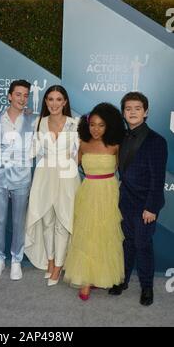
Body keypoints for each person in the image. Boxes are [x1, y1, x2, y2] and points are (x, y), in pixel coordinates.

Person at [109, 92, 168, 306]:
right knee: (127, 243)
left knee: (143, 244)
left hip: (146, 204)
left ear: (146, 112)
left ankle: (147, 287)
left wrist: (151, 207)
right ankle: (122, 280)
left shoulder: (156, 141)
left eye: (137, 108)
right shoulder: (121, 138)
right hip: (125, 200)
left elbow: (158, 178)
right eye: (128, 108)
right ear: (123, 113)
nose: (132, 112)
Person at [63, 103, 126, 301]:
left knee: (105, 234)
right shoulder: (82, 143)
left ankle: (101, 275)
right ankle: (86, 280)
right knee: (87, 234)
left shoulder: (116, 145)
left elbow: (124, 170)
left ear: (109, 126)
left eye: (101, 125)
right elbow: (71, 166)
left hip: (108, 192)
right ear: (86, 125)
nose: (96, 129)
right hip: (88, 192)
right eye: (92, 125)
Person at [25, 85, 80, 286]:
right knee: (46, 221)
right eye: (50, 99)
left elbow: (78, 155)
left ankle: (58, 266)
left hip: (66, 176)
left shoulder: (75, 124)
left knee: (63, 222)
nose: (54, 103)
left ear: (65, 102)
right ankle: (49, 261)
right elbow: (32, 151)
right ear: (45, 102)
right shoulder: (39, 122)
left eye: (58, 99)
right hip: (44, 175)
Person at [0, 80, 35, 280]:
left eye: (26, 95)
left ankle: (16, 260)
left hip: (22, 177)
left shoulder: (33, 119)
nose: (22, 99)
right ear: (9, 96)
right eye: (18, 94)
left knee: (18, 221)